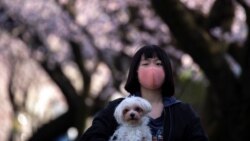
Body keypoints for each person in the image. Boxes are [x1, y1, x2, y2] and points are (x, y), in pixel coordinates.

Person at [79, 45, 208, 141]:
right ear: (135, 71)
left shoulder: (183, 112)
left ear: (167, 71)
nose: (152, 69)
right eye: (145, 64)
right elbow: (91, 137)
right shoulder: (115, 108)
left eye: (158, 64)